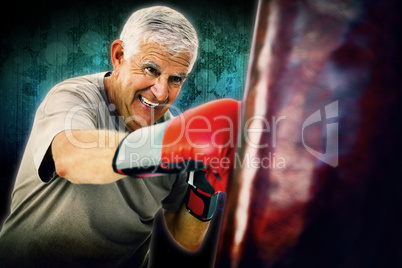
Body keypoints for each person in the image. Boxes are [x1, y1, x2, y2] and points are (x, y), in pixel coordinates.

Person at [0, 6, 240, 267]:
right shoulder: (74, 98)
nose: (160, 93)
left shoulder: (175, 134)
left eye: (176, 79)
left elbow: (185, 237)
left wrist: (204, 187)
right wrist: (166, 147)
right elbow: (69, 159)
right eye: (150, 69)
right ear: (119, 56)